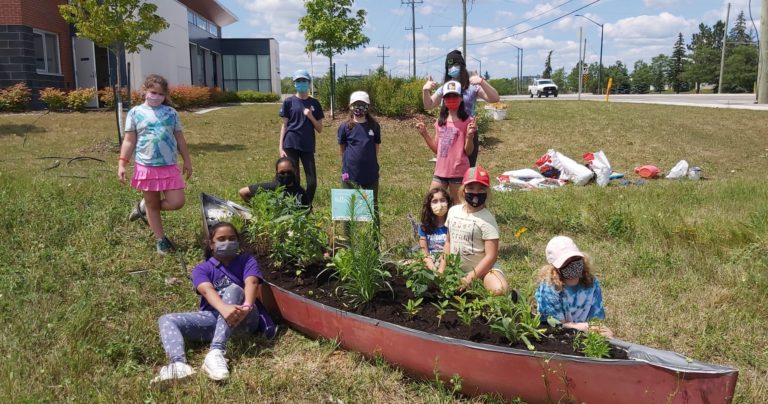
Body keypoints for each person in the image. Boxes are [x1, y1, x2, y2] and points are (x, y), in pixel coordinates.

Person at [152, 222, 277, 383]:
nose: (227, 242)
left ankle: (216, 351)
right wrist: (223, 308)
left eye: (232, 238)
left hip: (245, 318)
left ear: (238, 242)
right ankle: (178, 364)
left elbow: (251, 282)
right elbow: (206, 290)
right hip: (215, 319)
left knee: (234, 289)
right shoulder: (202, 269)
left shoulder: (247, 260)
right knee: (166, 319)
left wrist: (246, 306)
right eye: (221, 239)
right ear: (211, 244)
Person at [119, 74, 192, 255]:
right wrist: (122, 163)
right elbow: (129, 140)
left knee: (177, 202)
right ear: (145, 91)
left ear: (165, 95)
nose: (156, 96)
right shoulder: (135, 113)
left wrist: (187, 161)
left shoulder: (171, 113)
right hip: (146, 166)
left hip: (168, 166)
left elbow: (180, 139)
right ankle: (160, 240)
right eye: (153, 92)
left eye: (161, 94)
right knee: (153, 204)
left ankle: (144, 208)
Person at [422, 50, 500, 167]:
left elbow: (494, 98)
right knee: (449, 170)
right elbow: (428, 105)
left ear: (462, 66)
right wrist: (425, 90)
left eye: (456, 65)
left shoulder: (472, 86)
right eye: (449, 66)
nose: (453, 68)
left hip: (469, 133)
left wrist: (482, 82)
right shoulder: (445, 88)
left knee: (468, 169)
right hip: (449, 133)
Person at [439, 166, 509, 296]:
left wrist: (470, 278)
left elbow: (491, 256)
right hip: (455, 269)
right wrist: (442, 269)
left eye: (481, 188)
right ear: (463, 190)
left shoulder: (488, 219)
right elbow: (448, 242)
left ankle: (489, 285)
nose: (475, 193)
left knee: (499, 290)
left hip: (484, 270)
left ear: (487, 192)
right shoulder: (453, 211)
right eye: (471, 188)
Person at [535, 236, 614, 337]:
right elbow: (556, 325)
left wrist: (596, 328)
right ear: (555, 267)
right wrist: (588, 327)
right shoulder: (549, 288)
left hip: (585, 330)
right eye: (565, 263)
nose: (572, 265)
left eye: (575, 259)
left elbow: (596, 318)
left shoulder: (592, 283)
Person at [416, 80, 477, 204]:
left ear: (461, 98)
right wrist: (424, 134)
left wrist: (470, 137)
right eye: (448, 96)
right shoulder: (440, 122)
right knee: (431, 204)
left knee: (457, 208)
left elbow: (468, 151)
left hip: (458, 173)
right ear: (443, 99)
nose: (451, 99)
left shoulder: (468, 121)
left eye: (454, 96)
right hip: (440, 172)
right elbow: (437, 149)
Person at [279, 69, 324, 206]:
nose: (301, 83)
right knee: (294, 180)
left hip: (307, 145)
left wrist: (310, 116)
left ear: (309, 83)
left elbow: (320, 128)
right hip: (290, 143)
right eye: (298, 81)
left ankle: (306, 205)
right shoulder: (289, 102)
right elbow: (284, 126)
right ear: (294, 84)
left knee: (312, 182)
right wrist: (280, 147)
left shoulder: (315, 103)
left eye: (304, 81)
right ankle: (295, 207)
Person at [338, 91, 381, 218]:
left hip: (370, 174)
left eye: (362, 104)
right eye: (356, 104)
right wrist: (345, 165)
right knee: (348, 208)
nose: (359, 107)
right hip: (350, 174)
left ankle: (374, 237)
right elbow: (342, 148)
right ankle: (347, 237)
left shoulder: (374, 126)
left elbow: (376, 148)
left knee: (372, 207)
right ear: (350, 106)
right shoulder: (345, 127)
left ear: (368, 106)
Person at [239, 157, 307, 206]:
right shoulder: (271, 187)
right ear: (277, 173)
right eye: (282, 173)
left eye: (289, 172)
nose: (286, 175)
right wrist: (257, 209)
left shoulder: (300, 191)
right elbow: (243, 192)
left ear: (295, 171)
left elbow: (308, 211)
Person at [418, 188, 451, 271]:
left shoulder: (452, 225)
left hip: (448, 261)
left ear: (448, 202)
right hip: (430, 261)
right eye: (435, 201)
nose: (439, 204)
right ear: (429, 205)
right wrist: (430, 265)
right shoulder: (424, 227)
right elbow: (424, 251)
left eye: (442, 200)